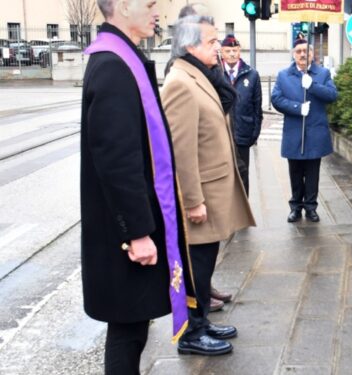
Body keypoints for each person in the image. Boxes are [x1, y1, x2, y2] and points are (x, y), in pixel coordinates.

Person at [80, 0, 193, 373]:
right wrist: (139, 233)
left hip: (127, 227)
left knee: (133, 325)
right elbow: (117, 160)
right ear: (123, 6)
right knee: (128, 329)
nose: (156, 10)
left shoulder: (121, 59)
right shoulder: (114, 67)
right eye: (148, 3)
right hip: (126, 233)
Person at [162, 15, 255, 356]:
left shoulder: (197, 74)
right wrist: (192, 201)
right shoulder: (179, 82)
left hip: (213, 188)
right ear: (189, 45)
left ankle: (202, 319)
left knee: (206, 261)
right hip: (200, 194)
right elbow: (181, 151)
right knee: (196, 265)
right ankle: (191, 332)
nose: (219, 46)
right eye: (212, 41)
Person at [271, 37, 338, 223]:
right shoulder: (284, 75)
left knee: (312, 172)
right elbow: (276, 99)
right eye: (299, 51)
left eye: (306, 51)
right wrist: (296, 108)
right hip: (294, 131)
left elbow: (332, 95)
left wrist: (313, 86)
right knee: (295, 172)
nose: (302, 54)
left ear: (312, 54)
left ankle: (310, 207)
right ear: (293, 54)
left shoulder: (322, 73)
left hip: (315, 132)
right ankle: (295, 207)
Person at [221, 34, 263, 195]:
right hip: (221, 135)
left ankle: (244, 211)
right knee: (223, 176)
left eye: (235, 50)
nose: (232, 54)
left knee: (243, 174)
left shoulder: (251, 74)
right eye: (228, 50)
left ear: (239, 51)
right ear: (222, 53)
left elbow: (257, 107)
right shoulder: (216, 73)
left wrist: (254, 133)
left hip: (243, 135)